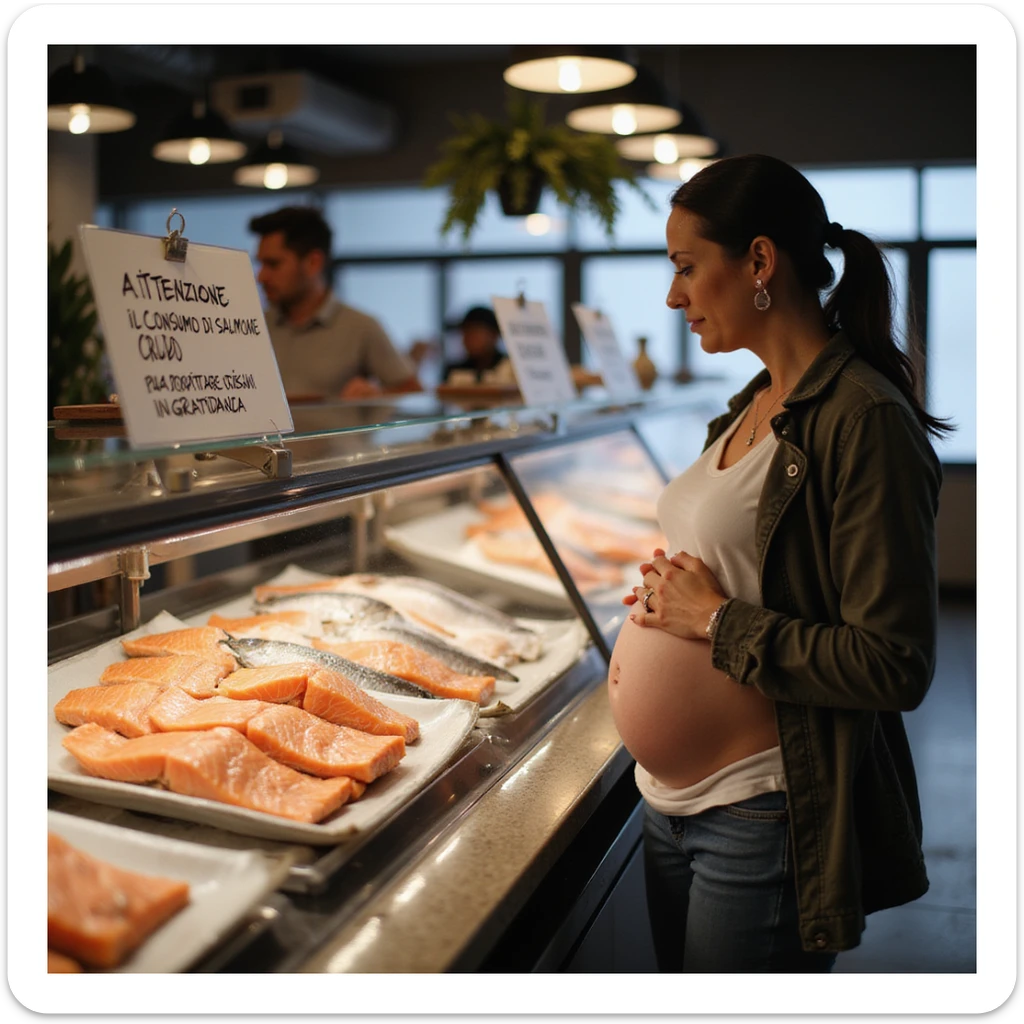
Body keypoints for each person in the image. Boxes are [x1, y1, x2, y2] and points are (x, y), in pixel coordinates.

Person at [605, 153, 952, 973]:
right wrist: (670, 596)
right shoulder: (749, 404)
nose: (673, 296)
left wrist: (714, 621)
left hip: (764, 815)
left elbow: (893, 664)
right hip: (667, 806)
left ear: (759, 262)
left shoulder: (864, 419)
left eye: (687, 267)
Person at [248, 206, 421, 400]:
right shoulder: (254, 327)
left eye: (273, 264)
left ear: (313, 263)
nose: (261, 276)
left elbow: (413, 391)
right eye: (260, 264)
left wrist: (376, 395)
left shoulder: (361, 327)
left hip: (342, 432)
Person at [441, 305, 508, 383]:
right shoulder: (454, 370)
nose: (467, 339)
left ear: (494, 335)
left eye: (474, 333)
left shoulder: (510, 368)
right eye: (465, 333)